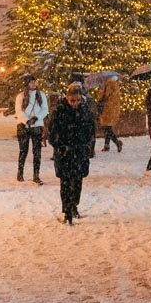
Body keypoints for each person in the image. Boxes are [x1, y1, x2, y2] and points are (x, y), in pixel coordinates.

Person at [48, 82, 96, 224]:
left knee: (78, 181)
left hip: (79, 152)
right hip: (65, 153)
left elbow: (91, 130)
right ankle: (67, 210)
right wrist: (60, 146)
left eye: (78, 100)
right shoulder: (59, 112)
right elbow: (52, 132)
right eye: (72, 100)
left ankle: (74, 205)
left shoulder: (85, 111)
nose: (75, 103)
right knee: (66, 182)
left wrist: (88, 145)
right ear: (67, 98)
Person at [14, 74, 48, 184]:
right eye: (31, 82)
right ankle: (20, 172)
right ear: (26, 84)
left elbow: (45, 109)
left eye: (34, 81)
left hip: (37, 125)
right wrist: (26, 120)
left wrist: (36, 117)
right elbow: (18, 110)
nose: (33, 84)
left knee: (37, 151)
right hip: (23, 126)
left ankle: (36, 175)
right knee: (23, 150)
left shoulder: (41, 95)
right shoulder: (20, 96)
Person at [90, 71, 124, 153]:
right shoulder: (116, 85)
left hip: (107, 108)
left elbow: (102, 96)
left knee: (106, 127)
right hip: (113, 108)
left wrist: (101, 89)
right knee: (108, 127)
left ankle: (117, 142)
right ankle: (107, 145)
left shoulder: (108, 84)